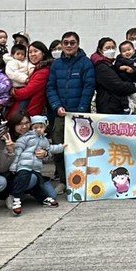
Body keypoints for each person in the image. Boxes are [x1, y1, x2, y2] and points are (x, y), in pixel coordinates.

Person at [47, 32, 95, 189]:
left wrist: (81, 110)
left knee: (81, 148)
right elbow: (51, 87)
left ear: (78, 44)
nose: (69, 45)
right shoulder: (56, 64)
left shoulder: (86, 63)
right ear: (62, 44)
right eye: (66, 42)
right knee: (59, 147)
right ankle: (63, 180)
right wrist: (56, 106)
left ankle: (82, 181)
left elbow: (89, 87)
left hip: (81, 115)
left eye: (72, 43)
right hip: (61, 115)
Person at [6, 113, 63, 212]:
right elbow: (17, 153)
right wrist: (13, 163)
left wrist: (48, 153)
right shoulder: (20, 138)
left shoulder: (43, 139)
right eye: (20, 124)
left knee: (47, 191)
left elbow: (50, 150)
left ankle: (43, 198)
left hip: (36, 168)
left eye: (26, 123)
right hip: (21, 168)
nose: (24, 126)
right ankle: (16, 197)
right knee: (28, 178)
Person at [91, 37, 136, 114]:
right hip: (109, 106)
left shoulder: (110, 64)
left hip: (114, 104)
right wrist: (134, 86)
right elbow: (117, 86)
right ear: (100, 50)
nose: (111, 50)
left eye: (113, 48)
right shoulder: (101, 66)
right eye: (107, 48)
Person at [9, 41, 53, 119]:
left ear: (43, 53)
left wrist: (14, 92)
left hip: (30, 111)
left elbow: (27, 92)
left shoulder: (43, 71)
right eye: (30, 52)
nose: (32, 54)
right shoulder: (35, 68)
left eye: (35, 51)